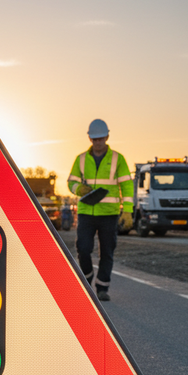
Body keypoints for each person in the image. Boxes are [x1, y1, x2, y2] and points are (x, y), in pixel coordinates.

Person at [67, 119, 133, 301]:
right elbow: (71, 181)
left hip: (109, 214)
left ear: (107, 137)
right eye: (95, 139)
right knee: (83, 248)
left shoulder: (117, 159)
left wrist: (127, 210)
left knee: (107, 252)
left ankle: (102, 288)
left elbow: (127, 185)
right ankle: (87, 280)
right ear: (89, 138)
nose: (98, 142)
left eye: (101, 139)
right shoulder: (80, 159)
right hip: (86, 212)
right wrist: (79, 189)